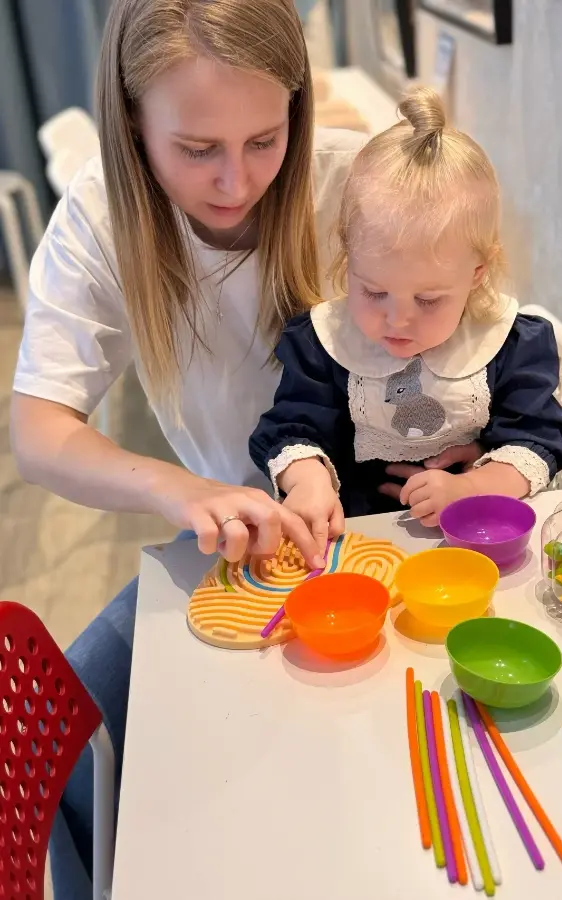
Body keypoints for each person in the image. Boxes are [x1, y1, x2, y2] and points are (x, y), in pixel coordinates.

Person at [9, 1, 376, 895]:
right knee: (69, 743)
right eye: (197, 149)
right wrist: (181, 491)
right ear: (133, 123)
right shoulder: (102, 218)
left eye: (265, 139)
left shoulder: (351, 185)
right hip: (228, 536)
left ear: (297, 107)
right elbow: (39, 431)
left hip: (372, 519)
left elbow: (474, 325)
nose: (235, 182)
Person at [250, 87, 562, 542]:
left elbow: (537, 441)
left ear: (477, 274)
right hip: (356, 534)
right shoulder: (324, 344)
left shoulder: (509, 344)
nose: (397, 320)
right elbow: (292, 428)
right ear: (348, 258)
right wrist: (307, 482)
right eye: (374, 291)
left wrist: (472, 487)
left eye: (428, 300)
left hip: (470, 535)